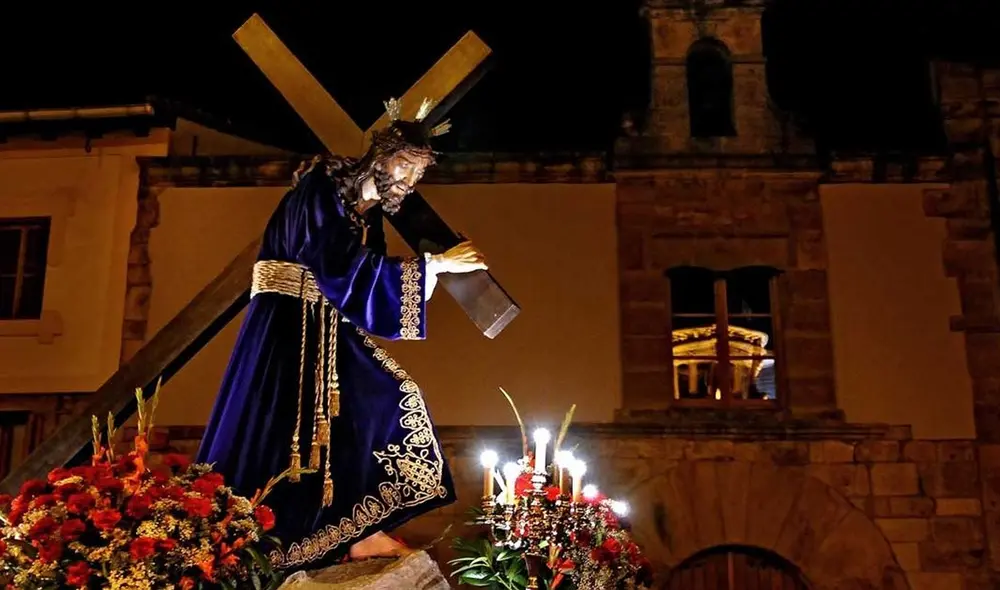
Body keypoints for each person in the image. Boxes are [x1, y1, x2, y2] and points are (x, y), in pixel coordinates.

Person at [196, 97, 487, 570]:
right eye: (406, 166)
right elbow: (338, 265)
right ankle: (277, 544)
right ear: (382, 155)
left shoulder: (368, 218)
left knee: (385, 399)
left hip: (328, 327)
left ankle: (360, 529)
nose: (410, 182)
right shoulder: (320, 189)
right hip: (288, 328)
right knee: (281, 431)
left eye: (419, 174)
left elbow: (363, 282)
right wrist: (435, 264)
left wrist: (425, 269)